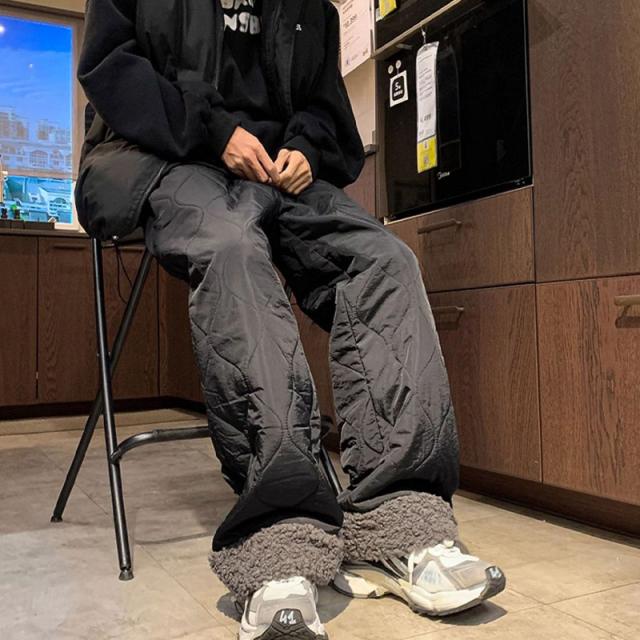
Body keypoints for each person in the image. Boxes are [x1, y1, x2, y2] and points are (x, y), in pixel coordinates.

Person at [75, 0, 506, 638]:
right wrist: (213, 132)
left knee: (384, 261)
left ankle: (396, 523)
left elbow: (326, 107)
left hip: (277, 177)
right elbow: (110, 67)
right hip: (165, 156)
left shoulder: (313, 9)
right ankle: (278, 539)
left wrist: (306, 146)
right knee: (232, 249)